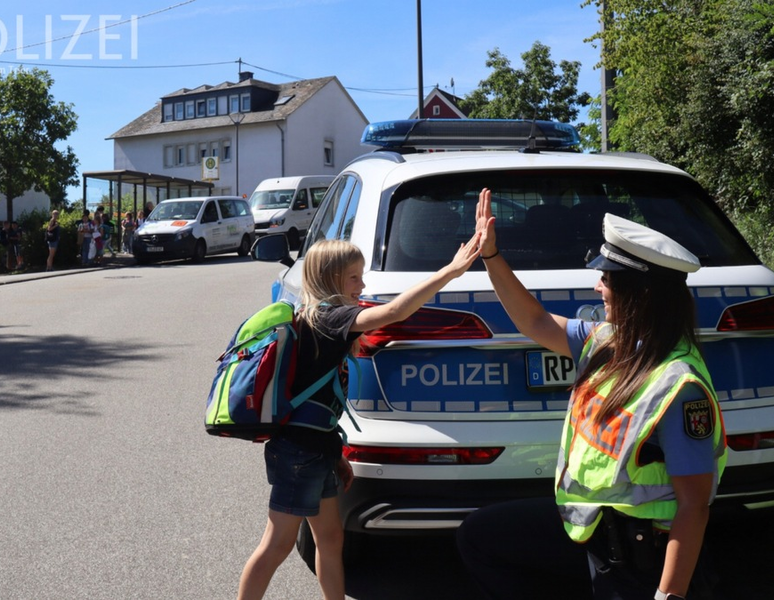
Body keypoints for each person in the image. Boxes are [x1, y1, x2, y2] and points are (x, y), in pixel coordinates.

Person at [456, 189, 727, 600]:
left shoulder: (679, 386)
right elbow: (534, 320)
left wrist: (669, 595)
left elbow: (694, 506)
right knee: (481, 538)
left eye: (608, 278)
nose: (598, 285)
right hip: (591, 529)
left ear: (642, 295)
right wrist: (492, 256)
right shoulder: (607, 341)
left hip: (644, 561)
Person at [237, 235, 482, 600]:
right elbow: (394, 312)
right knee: (277, 544)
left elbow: (317, 401)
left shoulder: (321, 318)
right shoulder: (331, 317)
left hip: (316, 449)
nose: (362, 285)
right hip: (299, 455)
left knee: (331, 540)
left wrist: (335, 455)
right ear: (331, 279)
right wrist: (450, 271)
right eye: (354, 277)